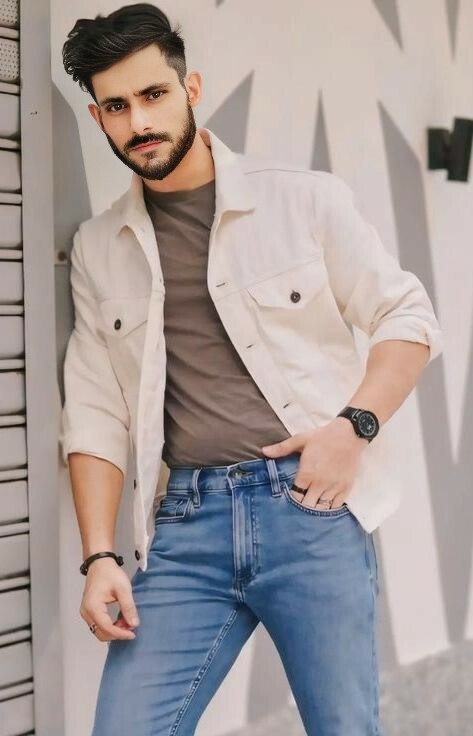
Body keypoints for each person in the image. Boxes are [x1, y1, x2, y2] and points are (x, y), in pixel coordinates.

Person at [60, 4, 443, 735]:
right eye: (117, 106)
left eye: (153, 95)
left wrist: (352, 429)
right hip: (184, 527)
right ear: (98, 117)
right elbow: (95, 411)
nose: (139, 121)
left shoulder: (301, 199)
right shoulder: (98, 247)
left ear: (190, 88)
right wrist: (99, 555)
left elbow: (406, 316)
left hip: (308, 512)